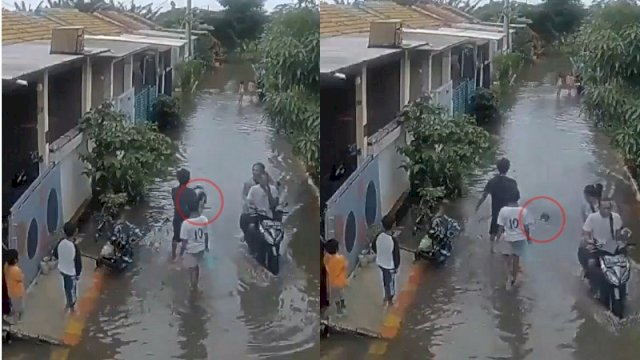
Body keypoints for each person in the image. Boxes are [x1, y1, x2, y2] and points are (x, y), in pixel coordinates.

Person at [475, 158, 520, 253]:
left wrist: (477, 207)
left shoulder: (492, 181)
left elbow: (483, 196)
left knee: (493, 233)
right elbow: (516, 199)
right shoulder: (512, 183)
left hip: (496, 213)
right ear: (508, 168)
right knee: (508, 233)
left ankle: (492, 251)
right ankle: (507, 253)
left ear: (497, 168)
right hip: (508, 212)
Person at [581, 198, 623, 297]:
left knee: (624, 265)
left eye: (608, 208)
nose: (606, 211)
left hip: (612, 248)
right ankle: (594, 288)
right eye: (604, 208)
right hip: (597, 247)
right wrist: (589, 241)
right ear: (599, 208)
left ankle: (622, 287)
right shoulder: (592, 218)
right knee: (591, 264)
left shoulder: (616, 218)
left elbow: (618, 234)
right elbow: (586, 233)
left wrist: (623, 241)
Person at [496, 197, 534, 287]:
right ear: (518, 199)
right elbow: (526, 227)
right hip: (519, 238)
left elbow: (500, 226)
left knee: (506, 257)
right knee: (516, 259)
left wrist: (497, 238)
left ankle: (507, 275)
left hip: (507, 237)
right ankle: (514, 278)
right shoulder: (523, 211)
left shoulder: (503, 210)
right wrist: (528, 238)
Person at [179, 192, 210, 292]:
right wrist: (206, 247)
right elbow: (206, 235)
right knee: (196, 266)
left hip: (191, 250)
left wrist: (180, 253)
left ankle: (193, 288)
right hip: (200, 249)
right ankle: (195, 283)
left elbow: (184, 242)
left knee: (191, 269)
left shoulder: (186, 223)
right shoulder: (204, 219)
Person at [53, 222, 82, 313]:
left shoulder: (60, 242)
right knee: (72, 290)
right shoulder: (74, 247)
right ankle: (72, 308)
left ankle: (67, 303)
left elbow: (55, 254)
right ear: (75, 232)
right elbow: (78, 263)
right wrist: (78, 274)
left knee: (66, 287)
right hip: (71, 272)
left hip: (62, 270)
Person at [372, 215, 400, 307]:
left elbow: (373, 246)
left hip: (380, 262)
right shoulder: (393, 240)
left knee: (385, 279)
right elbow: (396, 256)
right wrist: (396, 267)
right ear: (393, 225)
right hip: (389, 265)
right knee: (390, 282)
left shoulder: (379, 236)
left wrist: (380, 254)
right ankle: (390, 300)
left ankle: (385, 295)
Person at [171, 168, 198, 261]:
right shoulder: (192, 193)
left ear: (177, 179)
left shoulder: (173, 191)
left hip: (177, 217)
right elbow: (194, 207)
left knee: (175, 237)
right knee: (186, 239)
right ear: (188, 179)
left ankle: (173, 255)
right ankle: (182, 256)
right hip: (187, 219)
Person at [323, 238, 348, 316]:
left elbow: (326, 266)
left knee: (336, 296)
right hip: (341, 281)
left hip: (333, 282)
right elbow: (345, 265)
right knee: (341, 294)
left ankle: (339, 310)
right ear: (337, 249)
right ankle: (343, 306)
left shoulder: (327, 259)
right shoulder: (341, 258)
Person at [4, 249, 24, 321]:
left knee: (14, 303)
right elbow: (21, 278)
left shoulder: (6, 266)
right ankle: (18, 319)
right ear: (15, 260)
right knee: (18, 306)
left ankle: (14, 312)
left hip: (10, 291)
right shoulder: (16, 270)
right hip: (17, 292)